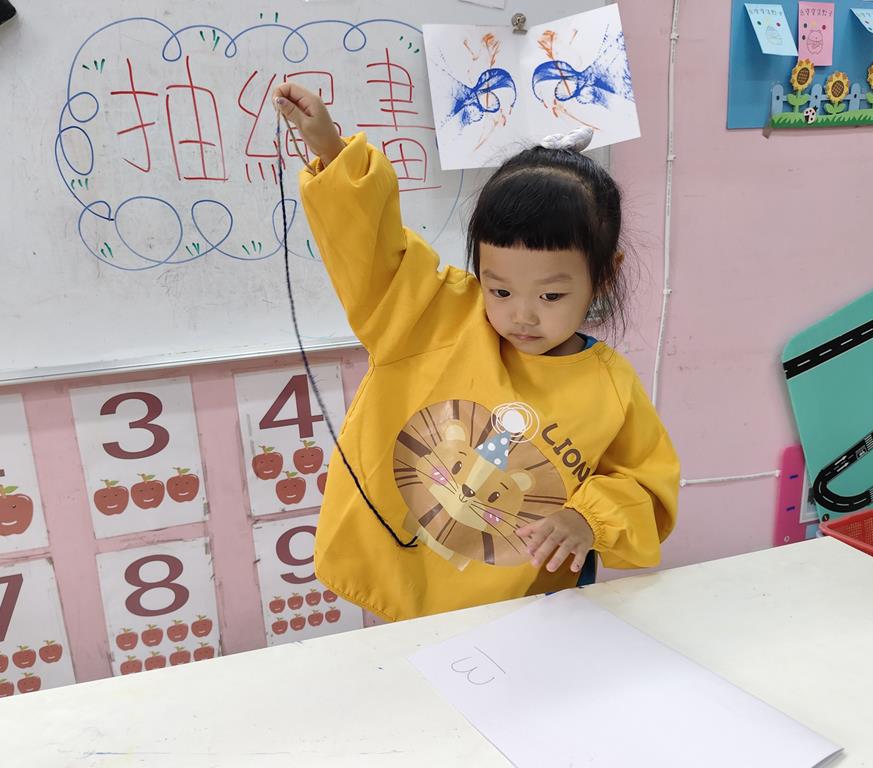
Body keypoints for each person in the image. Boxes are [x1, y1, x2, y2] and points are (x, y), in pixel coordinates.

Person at [274, 82, 680, 622]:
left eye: (551, 296)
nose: (522, 316)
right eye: (500, 290)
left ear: (603, 276)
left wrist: (588, 519)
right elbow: (371, 248)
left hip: (527, 613)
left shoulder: (611, 387)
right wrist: (332, 153)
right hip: (407, 581)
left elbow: (645, 486)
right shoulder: (430, 315)